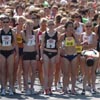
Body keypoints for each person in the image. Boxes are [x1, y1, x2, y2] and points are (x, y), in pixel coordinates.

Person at [0, 14, 19, 95]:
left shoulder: (13, 31)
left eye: (7, 22)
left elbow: (15, 43)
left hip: (10, 52)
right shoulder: (0, 31)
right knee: (2, 71)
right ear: (1, 22)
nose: (5, 23)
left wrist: (17, 53)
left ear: (9, 22)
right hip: (1, 52)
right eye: (4, 22)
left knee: (10, 71)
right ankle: (3, 88)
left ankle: (11, 88)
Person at [41, 19, 60, 95]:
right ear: (47, 26)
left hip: (54, 53)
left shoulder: (57, 34)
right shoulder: (44, 33)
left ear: (54, 25)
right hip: (46, 52)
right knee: (46, 72)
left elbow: (59, 46)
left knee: (51, 72)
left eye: (52, 24)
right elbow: (42, 45)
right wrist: (41, 55)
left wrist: (58, 55)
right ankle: (45, 88)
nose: (51, 26)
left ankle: (50, 87)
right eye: (49, 24)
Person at [59, 21, 79, 94]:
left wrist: (74, 35)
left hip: (74, 55)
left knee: (74, 73)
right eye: (69, 26)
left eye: (72, 26)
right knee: (65, 73)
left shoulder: (75, 35)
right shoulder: (62, 36)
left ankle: (73, 88)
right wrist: (61, 49)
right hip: (65, 56)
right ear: (66, 28)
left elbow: (79, 44)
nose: (71, 28)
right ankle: (64, 88)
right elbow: (58, 44)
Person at [21, 19, 39, 95]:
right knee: (26, 71)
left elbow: (36, 44)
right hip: (26, 53)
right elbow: (26, 40)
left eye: (31, 25)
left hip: (33, 52)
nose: (29, 26)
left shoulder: (34, 32)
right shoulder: (23, 32)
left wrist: (37, 53)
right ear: (25, 25)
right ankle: (26, 88)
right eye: (28, 25)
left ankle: (32, 87)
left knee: (34, 71)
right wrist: (28, 32)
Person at [80, 21, 98, 95]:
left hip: (93, 53)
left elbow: (94, 45)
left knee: (93, 72)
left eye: (89, 26)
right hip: (84, 53)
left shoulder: (93, 35)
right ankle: (84, 88)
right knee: (85, 72)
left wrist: (86, 45)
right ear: (84, 27)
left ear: (92, 27)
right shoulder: (82, 35)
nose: (88, 28)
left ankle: (93, 88)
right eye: (86, 26)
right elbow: (80, 45)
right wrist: (83, 45)